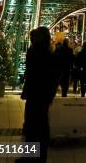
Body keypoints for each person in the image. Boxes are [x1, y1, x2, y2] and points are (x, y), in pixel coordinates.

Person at [21, 26, 59, 162]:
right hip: (41, 95)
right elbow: (54, 77)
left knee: (34, 127)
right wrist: (50, 95)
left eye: (34, 37)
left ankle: (32, 157)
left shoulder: (36, 52)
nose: (32, 39)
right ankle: (36, 156)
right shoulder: (47, 53)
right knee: (39, 126)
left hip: (36, 94)